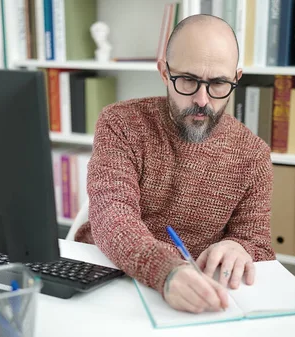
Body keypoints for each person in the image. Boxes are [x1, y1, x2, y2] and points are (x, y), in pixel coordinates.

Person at [74, 14, 276, 313]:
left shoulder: (254, 155)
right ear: (164, 73)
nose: (202, 100)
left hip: (198, 294)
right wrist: (167, 269)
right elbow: (112, 216)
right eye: (188, 80)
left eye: (219, 83)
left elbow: (258, 245)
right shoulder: (121, 123)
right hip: (109, 278)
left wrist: (240, 247)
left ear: (237, 78)